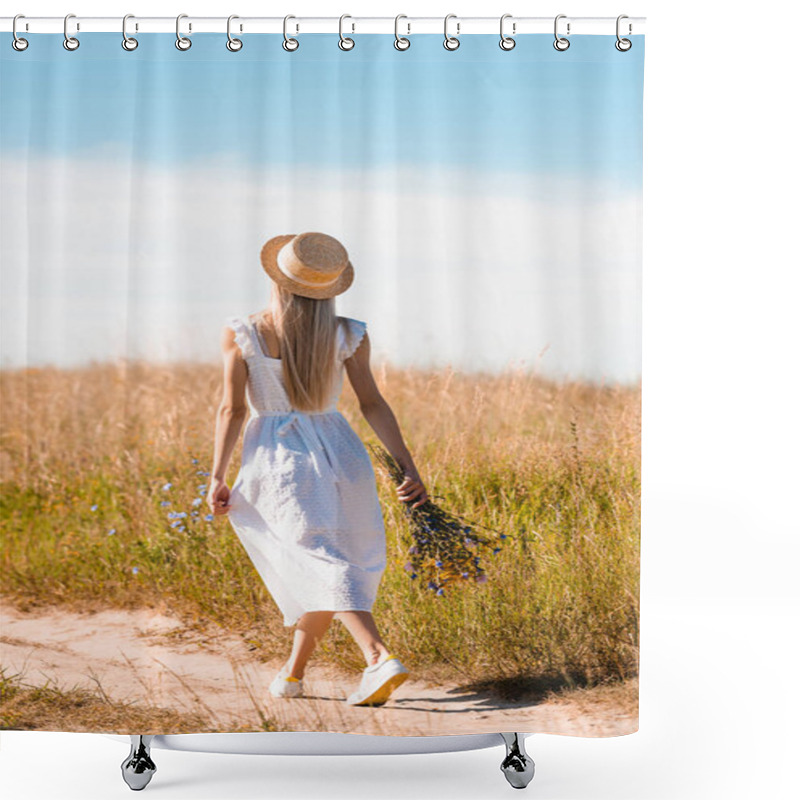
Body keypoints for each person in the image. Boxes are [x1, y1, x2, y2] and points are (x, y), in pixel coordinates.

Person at [207, 231, 428, 707]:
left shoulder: (244, 332)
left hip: (282, 458)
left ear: (277, 278)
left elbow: (233, 411)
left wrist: (217, 475)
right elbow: (373, 403)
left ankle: (377, 656)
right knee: (323, 559)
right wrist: (407, 465)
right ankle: (292, 673)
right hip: (342, 452)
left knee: (322, 559)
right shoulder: (350, 333)